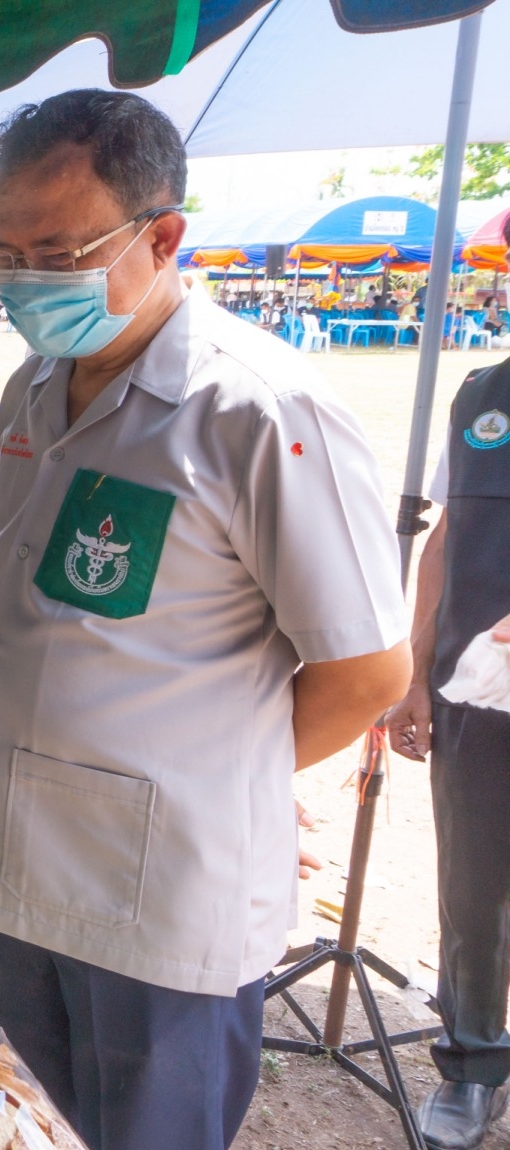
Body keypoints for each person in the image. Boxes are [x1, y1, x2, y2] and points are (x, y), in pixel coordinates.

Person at [0, 90, 409, 1150]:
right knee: (6, 1130)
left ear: (161, 237)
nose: (24, 279)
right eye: (5, 250)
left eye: (56, 250)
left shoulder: (255, 411)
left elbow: (365, 670)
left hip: (155, 909)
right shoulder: (32, 387)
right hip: (11, 871)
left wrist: (219, 774)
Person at [386, 376, 510, 1149]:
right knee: (472, 888)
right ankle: (473, 1068)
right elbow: (445, 542)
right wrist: (416, 674)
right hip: (475, 694)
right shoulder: (481, 399)